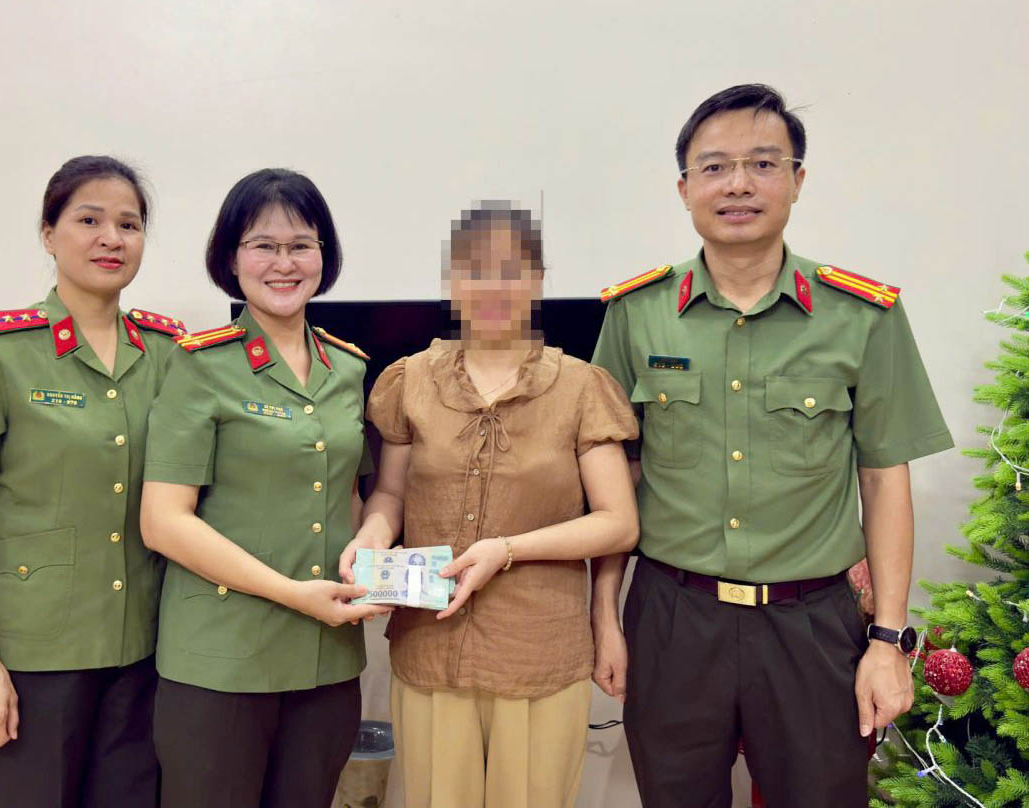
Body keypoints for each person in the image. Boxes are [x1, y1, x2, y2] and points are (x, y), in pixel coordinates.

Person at [591, 84, 954, 807]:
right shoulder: (635, 315)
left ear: (796, 180)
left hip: (812, 625)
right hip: (670, 618)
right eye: (715, 167)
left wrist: (886, 641)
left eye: (762, 163)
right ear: (684, 187)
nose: (737, 185)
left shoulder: (862, 316)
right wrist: (603, 617)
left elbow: (884, 482)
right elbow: (612, 482)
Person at [341, 202, 640, 808]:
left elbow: (618, 523)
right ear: (453, 282)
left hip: (540, 652)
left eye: (513, 269)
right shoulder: (411, 380)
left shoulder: (581, 387)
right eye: (475, 270)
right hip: (430, 646)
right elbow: (391, 493)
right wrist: (374, 530)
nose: (494, 286)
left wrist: (507, 550)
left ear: (537, 279)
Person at [0, 155, 185, 807]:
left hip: (144, 654)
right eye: (88, 219)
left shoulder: (168, 352)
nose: (111, 238)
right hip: (33, 660)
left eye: (129, 224)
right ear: (49, 233)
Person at [139, 168, 390, 808]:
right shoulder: (200, 364)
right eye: (263, 245)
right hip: (220, 661)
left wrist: (371, 540)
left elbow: (352, 497)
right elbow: (164, 521)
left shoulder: (349, 368)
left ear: (324, 257)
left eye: (301, 245)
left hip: (326, 661)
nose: (284, 263)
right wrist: (293, 595)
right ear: (232, 257)